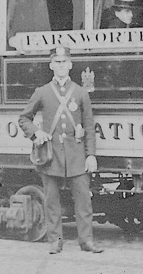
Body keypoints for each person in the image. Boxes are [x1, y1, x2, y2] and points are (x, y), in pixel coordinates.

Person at [19, 46, 103, 254]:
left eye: (64, 62)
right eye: (57, 62)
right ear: (51, 65)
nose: (61, 66)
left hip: (76, 156)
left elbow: (89, 126)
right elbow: (24, 118)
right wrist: (36, 133)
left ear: (71, 65)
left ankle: (86, 241)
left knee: (84, 202)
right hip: (50, 156)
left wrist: (91, 154)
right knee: (52, 202)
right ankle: (55, 241)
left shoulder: (81, 93)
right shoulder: (43, 92)